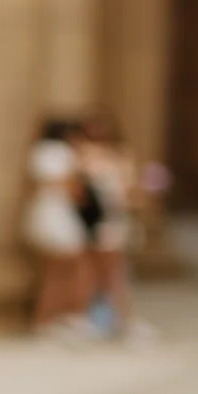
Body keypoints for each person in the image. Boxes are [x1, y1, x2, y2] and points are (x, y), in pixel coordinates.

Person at [74, 107, 147, 340]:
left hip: (114, 217)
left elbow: (128, 189)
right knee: (98, 271)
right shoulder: (83, 154)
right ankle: (99, 317)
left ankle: (117, 318)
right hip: (95, 219)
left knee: (114, 271)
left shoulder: (120, 154)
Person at [25, 116, 92, 334]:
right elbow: (73, 189)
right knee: (70, 270)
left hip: (43, 214)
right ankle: (65, 317)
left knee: (53, 273)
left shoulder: (39, 152)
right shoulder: (64, 154)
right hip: (59, 217)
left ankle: (48, 319)